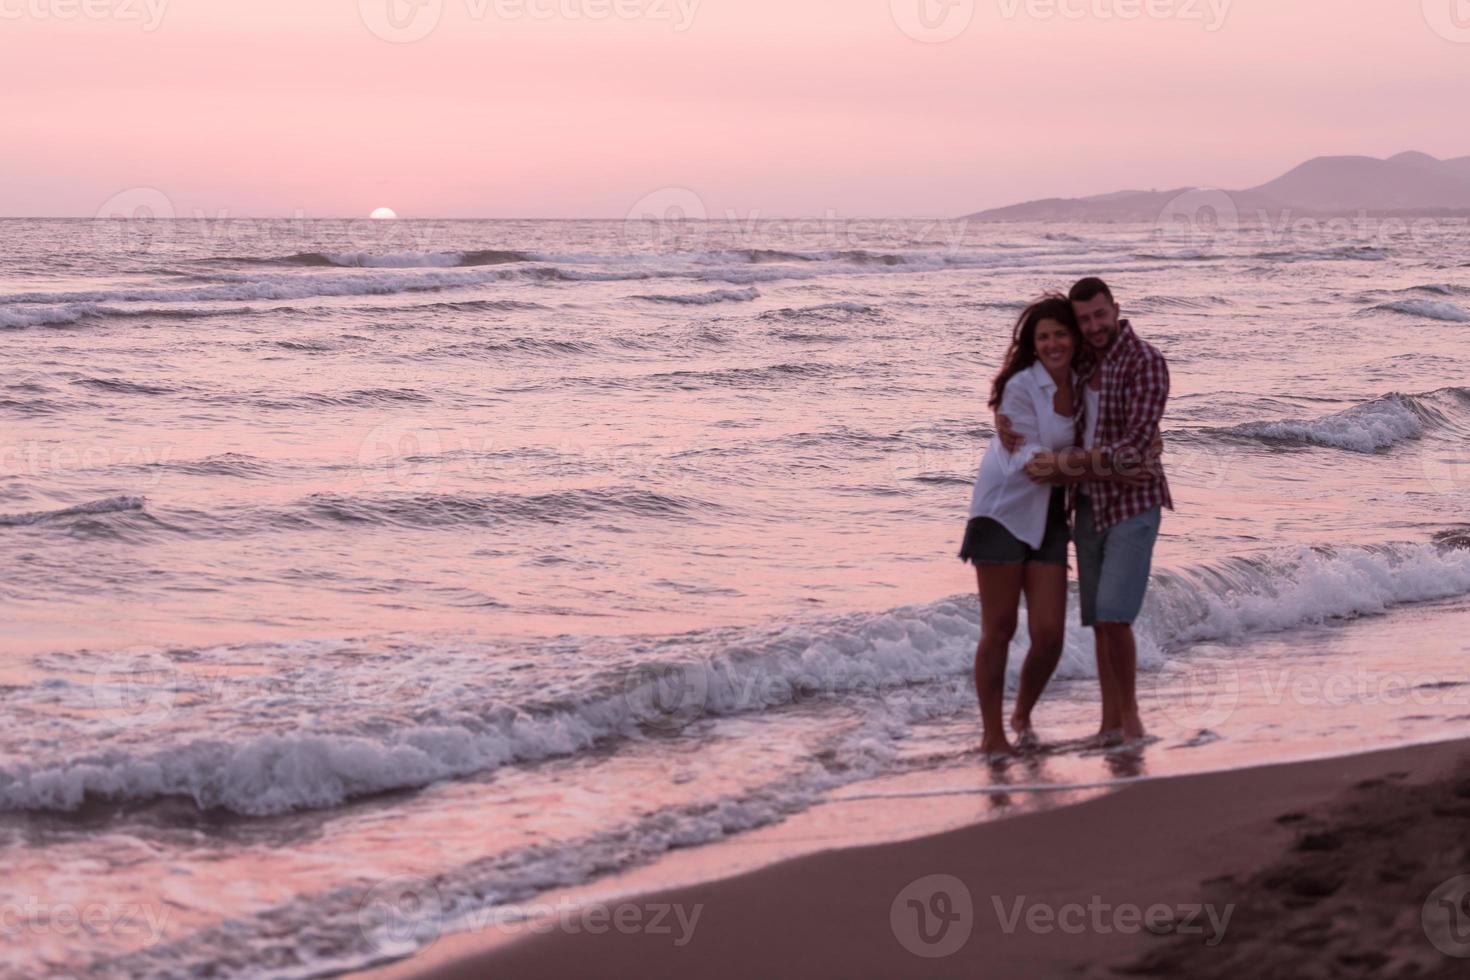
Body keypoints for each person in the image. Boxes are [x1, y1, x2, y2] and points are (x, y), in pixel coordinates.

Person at [1003, 277, 1172, 743]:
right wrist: (1006, 421)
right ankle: (1109, 723)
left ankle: (1132, 720)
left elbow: (1136, 449)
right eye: (1085, 320)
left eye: (1101, 315)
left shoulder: (1145, 362)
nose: (1095, 326)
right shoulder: (1079, 365)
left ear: (1116, 309)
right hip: (1087, 506)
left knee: (1116, 616)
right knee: (1100, 621)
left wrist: (1059, 465)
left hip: (1134, 504)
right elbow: (1039, 404)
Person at [958, 296, 1084, 755]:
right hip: (1003, 511)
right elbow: (1030, 463)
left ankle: (1022, 715)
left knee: (1050, 635)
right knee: (1001, 628)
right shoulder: (1019, 386)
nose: (1053, 343)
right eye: (1043, 336)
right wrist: (1097, 464)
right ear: (1032, 344)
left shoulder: (1086, 382)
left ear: (1075, 337)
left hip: (1049, 514)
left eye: (1061, 333)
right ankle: (992, 734)